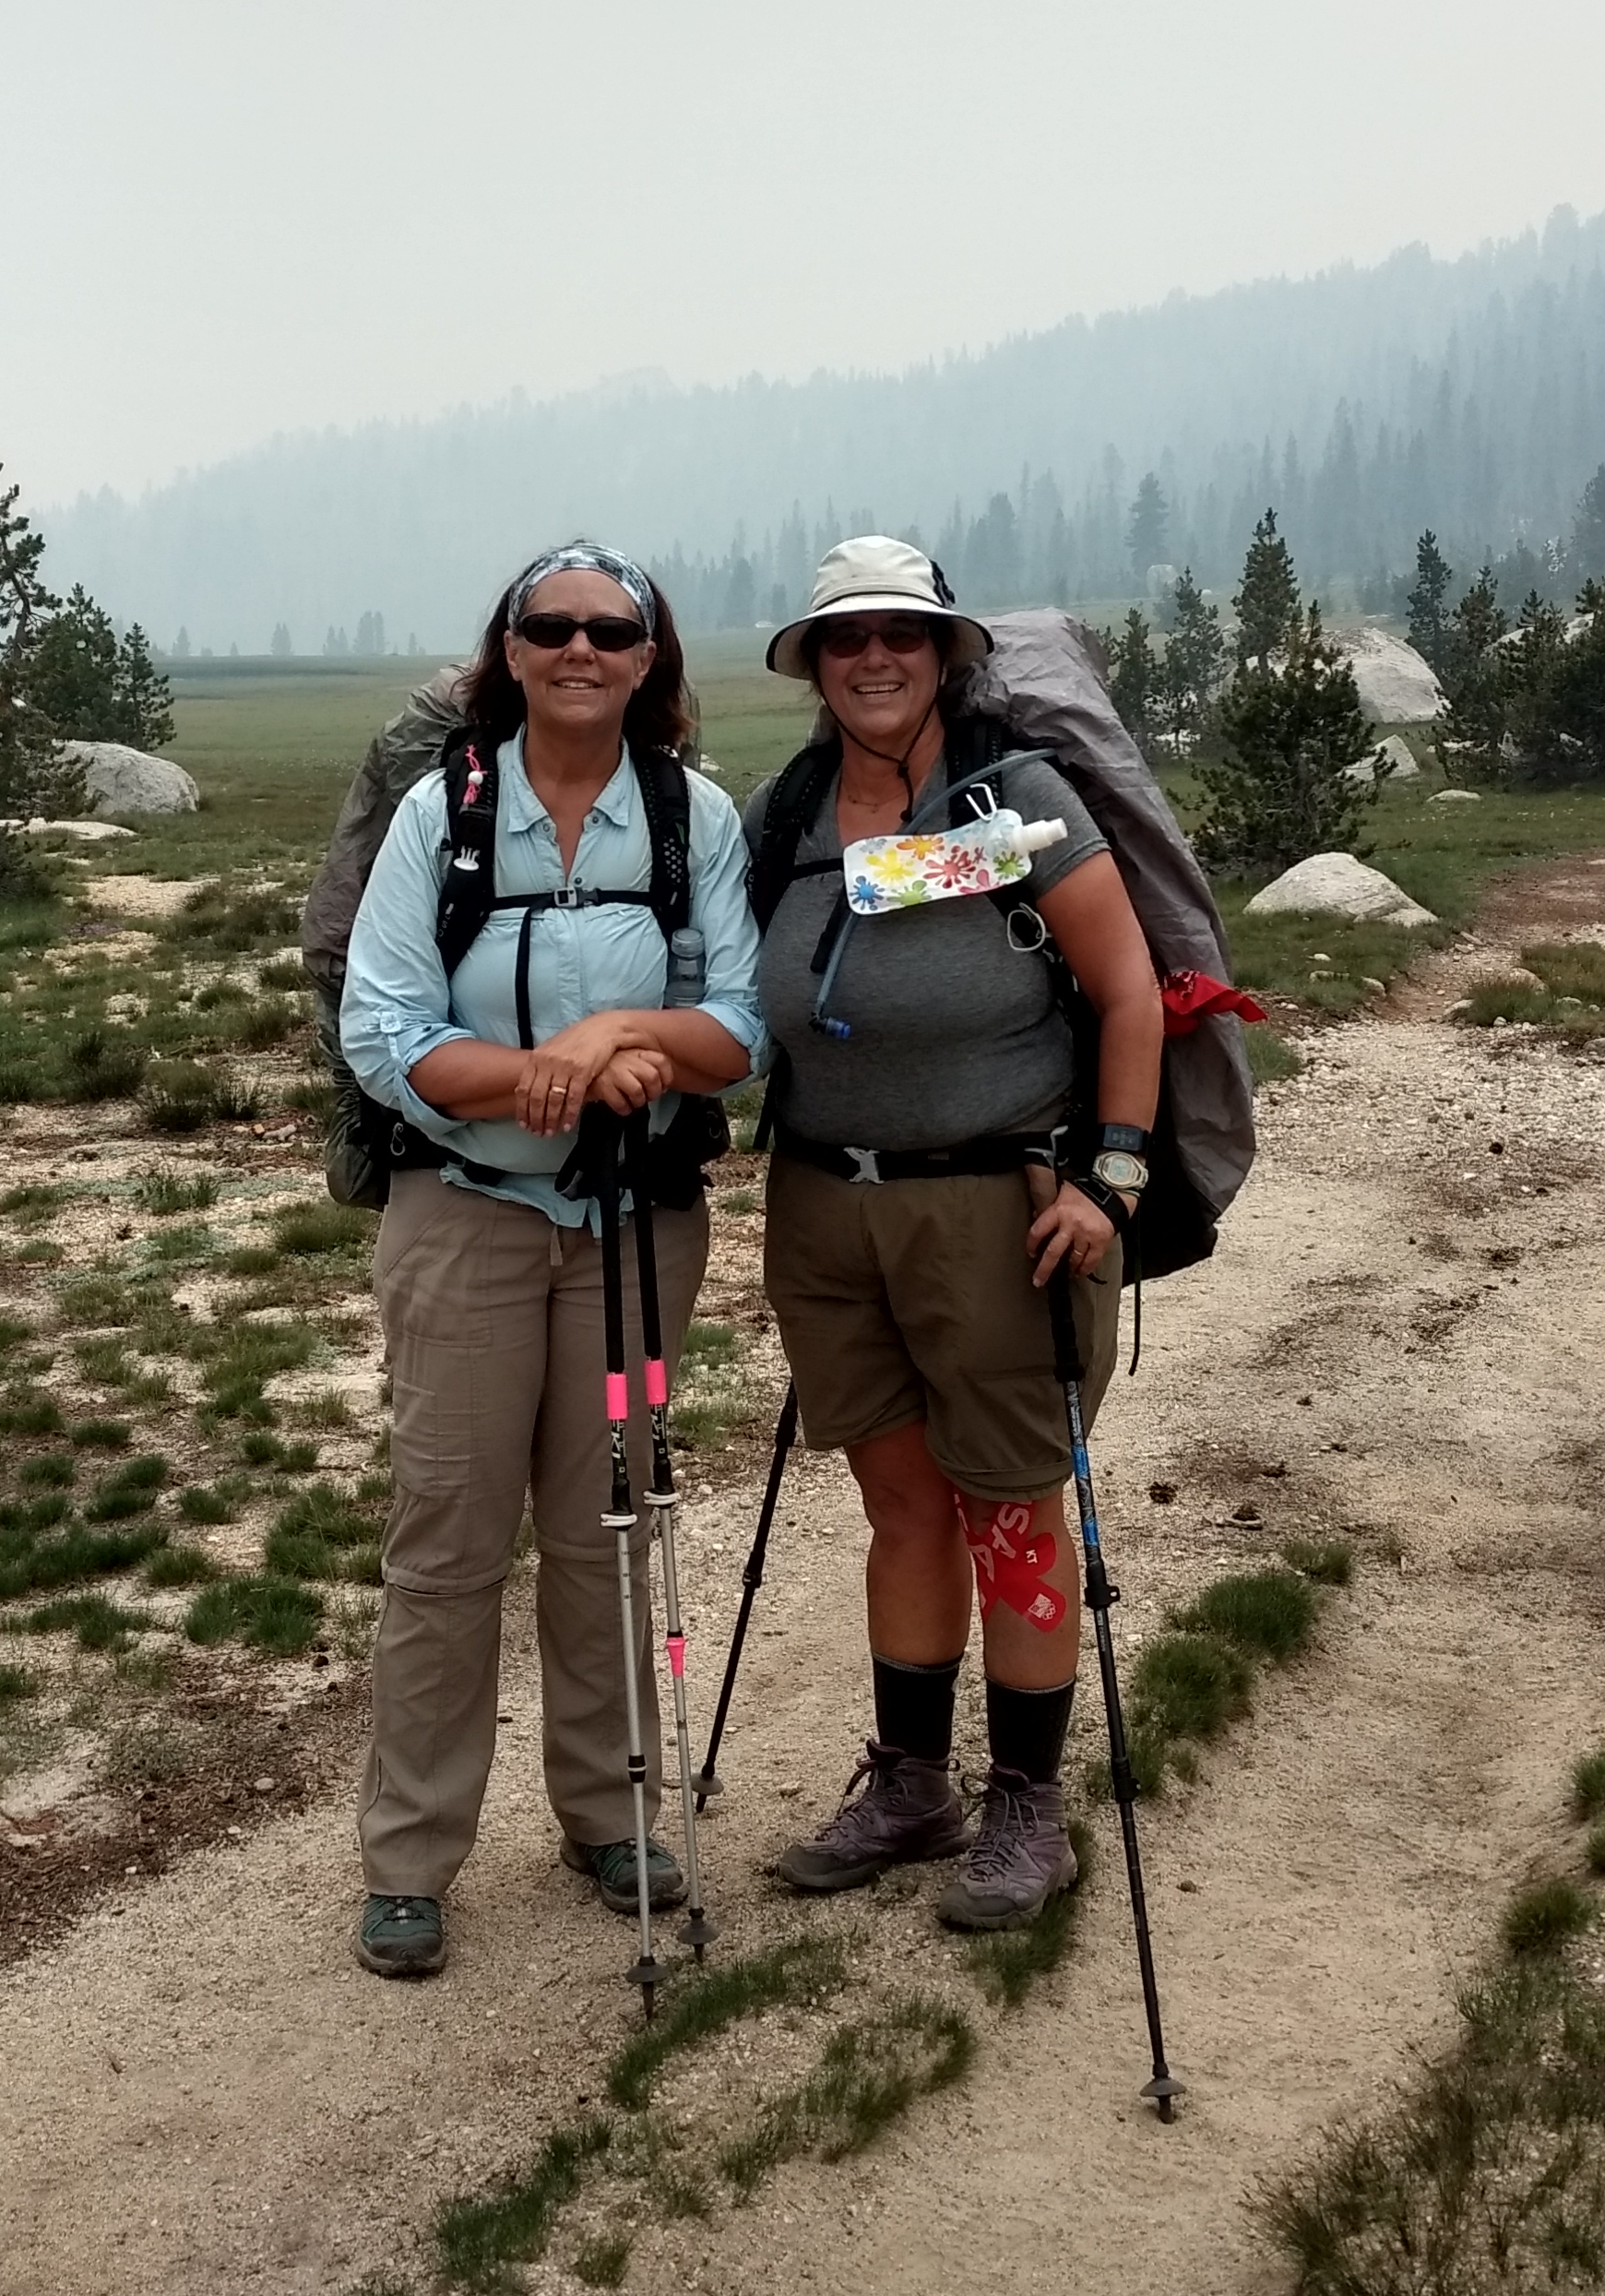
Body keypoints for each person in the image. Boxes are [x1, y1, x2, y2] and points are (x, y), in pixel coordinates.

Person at [332, 545, 763, 1981]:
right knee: (448, 1540)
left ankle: (609, 1814)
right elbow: (383, 1027)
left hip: (638, 1228)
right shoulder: (439, 816)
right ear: (509, 652)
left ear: (649, 661)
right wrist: (542, 1080)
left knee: (606, 1529)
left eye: (612, 630)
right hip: (465, 1216)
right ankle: (409, 1859)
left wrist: (612, 1040)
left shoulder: (692, 816)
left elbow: (743, 1025)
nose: (582, 647)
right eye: (552, 626)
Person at [744, 537, 1160, 1931]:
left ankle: (1026, 1805)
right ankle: (913, 1784)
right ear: (812, 662)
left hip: (1000, 1209)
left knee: (1010, 1504)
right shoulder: (784, 813)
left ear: (945, 654)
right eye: (845, 637)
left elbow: (1130, 992)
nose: (873, 658)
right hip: (822, 1207)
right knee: (903, 1504)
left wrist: (1110, 1178)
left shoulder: (1017, 800)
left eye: (901, 635)